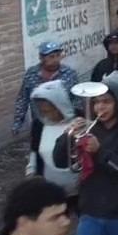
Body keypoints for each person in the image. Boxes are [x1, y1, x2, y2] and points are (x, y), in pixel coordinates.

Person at [52, 79, 118, 235]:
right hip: (90, 211)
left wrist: (100, 151)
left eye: (106, 102)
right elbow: (60, 161)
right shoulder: (89, 128)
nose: (100, 107)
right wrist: (67, 136)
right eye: (96, 102)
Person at [26, 80, 79, 208]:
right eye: (42, 111)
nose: (47, 115)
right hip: (51, 188)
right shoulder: (39, 125)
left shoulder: (79, 121)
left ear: (60, 105)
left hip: (80, 188)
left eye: (50, 111)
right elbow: (35, 151)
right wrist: (31, 171)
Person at [11, 42, 78, 136]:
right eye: (51, 56)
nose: (55, 59)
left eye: (58, 56)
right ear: (41, 58)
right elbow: (23, 99)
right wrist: (17, 123)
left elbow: (76, 98)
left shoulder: (69, 73)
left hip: (64, 122)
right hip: (39, 122)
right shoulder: (32, 74)